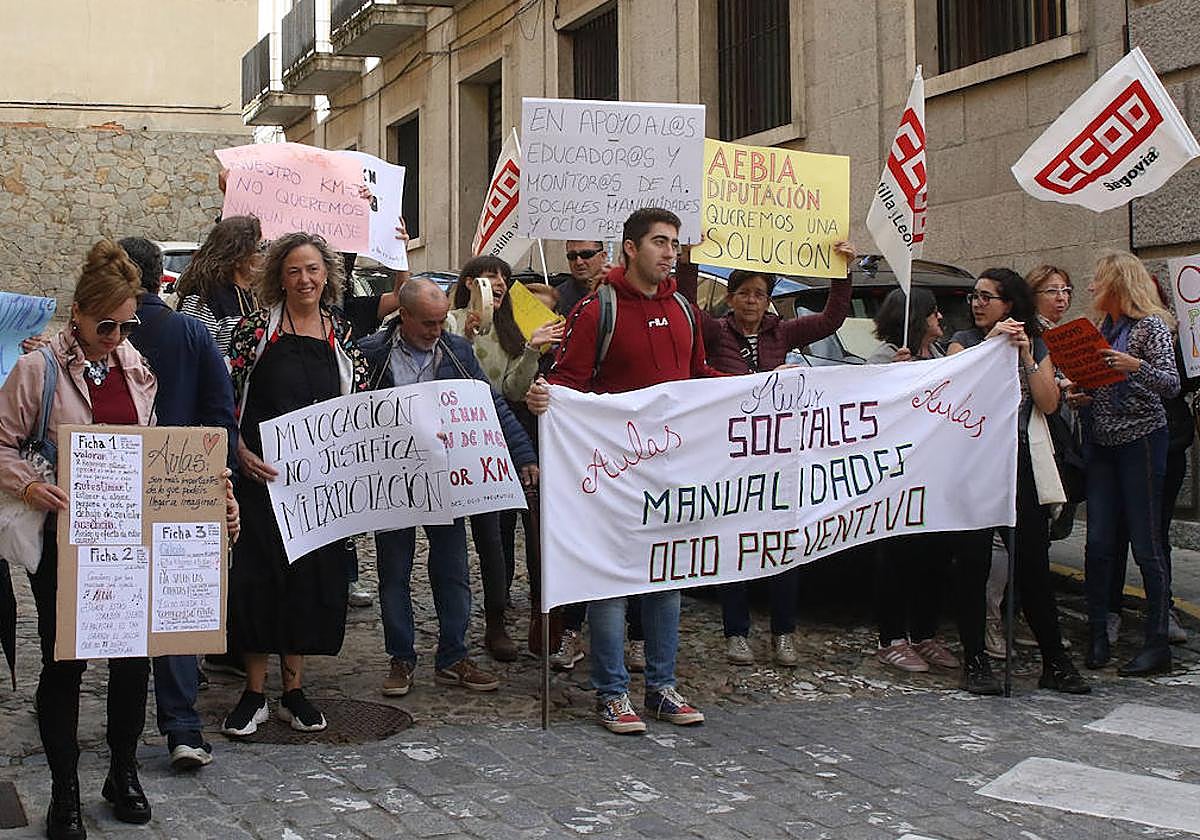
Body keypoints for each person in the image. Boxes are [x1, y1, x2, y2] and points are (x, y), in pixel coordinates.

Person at [526, 207, 722, 734]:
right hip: (614, 475)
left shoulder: (684, 308)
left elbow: (700, 377)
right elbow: (568, 379)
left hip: (670, 473)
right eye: (660, 242)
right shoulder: (597, 309)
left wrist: (760, 389)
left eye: (675, 244)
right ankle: (611, 692)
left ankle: (661, 687)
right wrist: (550, 400)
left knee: (667, 578)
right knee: (611, 582)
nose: (670, 252)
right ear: (631, 249)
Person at [0, 241, 158, 838]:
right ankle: (64, 791)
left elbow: (152, 447)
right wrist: (32, 485)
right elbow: (1, 442)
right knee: (66, 661)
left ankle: (122, 772)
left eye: (126, 323)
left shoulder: (135, 366)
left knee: (131, 661)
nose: (114, 335)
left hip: (124, 537)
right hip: (63, 537)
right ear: (78, 311)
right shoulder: (38, 369)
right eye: (105, 324)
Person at [675, 245, 854, 665]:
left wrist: (841, 273)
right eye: (744, 293)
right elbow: (686, 306)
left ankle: (783, 633)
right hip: (732, 456)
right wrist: (688, 261)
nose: (752, 301)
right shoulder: (715, 332)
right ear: (731, 297)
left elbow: (831, 319)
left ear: (767, 298)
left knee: (782, 545)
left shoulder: (783, 333)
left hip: (777, 458)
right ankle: (736, 632)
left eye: (759, 293)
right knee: (735, 544)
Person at [221, 233, 369, 736]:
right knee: (257, 580)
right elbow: (227, 398)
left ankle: (296, 691)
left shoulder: (343, 336)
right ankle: (254, 692)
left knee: (310, 582)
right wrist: (238, 450)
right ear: (279, 278)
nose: (304, 280)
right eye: (293, 271)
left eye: (312, 270)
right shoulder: (254, 331)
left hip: (318, 488)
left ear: (327, 274)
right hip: (261, 482)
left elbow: (361, 409)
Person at [359, 279, 537, 697]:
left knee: (453, 569)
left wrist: (523, 453)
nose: (435, 330)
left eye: (441, 322)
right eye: (426, 323)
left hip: (446, 478)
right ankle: (401, 657)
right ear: (402, 316)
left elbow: (488, 402)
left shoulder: (456, 351)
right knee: (393, 574)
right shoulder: (371, 354)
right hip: (393, 482)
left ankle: (453, 656)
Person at [119, 236, 240, 770]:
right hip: (182, 486)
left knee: (115, 603)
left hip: (115, 486)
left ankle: (112, 726)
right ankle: (182, 728)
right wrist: (216, 478)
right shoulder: (189, 331)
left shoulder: (91, 337)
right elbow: (221, 411)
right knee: (174, 605)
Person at [947, 268, 1089, 695]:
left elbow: (1047, 401)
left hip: (1018, 460)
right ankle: (974, 658)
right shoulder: (966, 341)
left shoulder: (1035, 343)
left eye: (987, 297)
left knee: (1032, 563)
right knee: (973, 563)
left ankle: (1055, 661)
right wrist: (990, 348)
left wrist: (1027, 355)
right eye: (974, 296)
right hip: (974, 462)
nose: (977, 303)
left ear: (1010, 304)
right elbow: (955, 389)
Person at [445, 256, 563, 660]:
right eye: (489, 275)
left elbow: (513, 391)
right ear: (468, 282)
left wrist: (530, 350)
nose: (498, 282)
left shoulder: (513, 329)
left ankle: (514, 618)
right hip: (458, 440)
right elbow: (444, 371)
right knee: (474, 538)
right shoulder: (448, 321)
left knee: (509, 535)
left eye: (504, 277)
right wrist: (465, 332)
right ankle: (476, 624)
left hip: (502, 439)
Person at [1069, 252, 1179, 676]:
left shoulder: (1149, 326)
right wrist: (1084, 395)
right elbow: (1104, 385)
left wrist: (1135, 367)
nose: (1092, 287)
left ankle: (1157, 643)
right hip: (1103, 442)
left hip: (1141, 442)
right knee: (1097, 541)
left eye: (1099, 280)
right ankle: (1098, 632)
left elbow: (1169, 385)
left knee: (1146, 542)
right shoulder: (1104, 328)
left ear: (1118, 283)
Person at [864, 288, 962, 674]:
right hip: (898, 477)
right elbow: (869, 409)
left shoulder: (939, 359)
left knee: (935, 557)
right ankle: (892, 638)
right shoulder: (885, 359)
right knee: (897, 558)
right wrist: (893, 379)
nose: (941, 317)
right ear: (916, 318)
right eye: (934, 311)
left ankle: (925, 633)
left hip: (935, 474)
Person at [175, 215, 263, 354]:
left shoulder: (255, 295)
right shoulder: (203, 297)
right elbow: (192, 355)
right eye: (258, 250)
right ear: (238, 257)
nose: (263, 255)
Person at [557, 240, 609, 315]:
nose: (579, 262)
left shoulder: (617, 292)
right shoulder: (558, 297)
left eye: (586, 254)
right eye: (572, 256)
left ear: (603, 256)